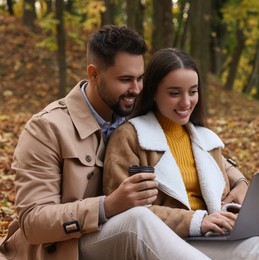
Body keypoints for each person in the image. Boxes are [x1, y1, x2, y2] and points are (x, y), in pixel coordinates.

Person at [0, 25, 240, 260]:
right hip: (66, 248)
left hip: (129, 235)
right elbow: (33, 221)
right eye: (125, 79)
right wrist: (107, 205)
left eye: (140, 78)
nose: (135, 89)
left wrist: (238, 180)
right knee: (138, 219)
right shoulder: (47, 128)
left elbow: (188, 146)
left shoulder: (134, 114)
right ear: (94, 74)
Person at [103, 48, 259, 260]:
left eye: (193, 91)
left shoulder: (203, 138)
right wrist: (197, 221)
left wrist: (240, 196)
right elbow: (127, 213)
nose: (186, 102)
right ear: (153, 93)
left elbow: (225, 174)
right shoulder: (130, 137)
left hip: (216, 232)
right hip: (176, 241)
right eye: (174, 93)